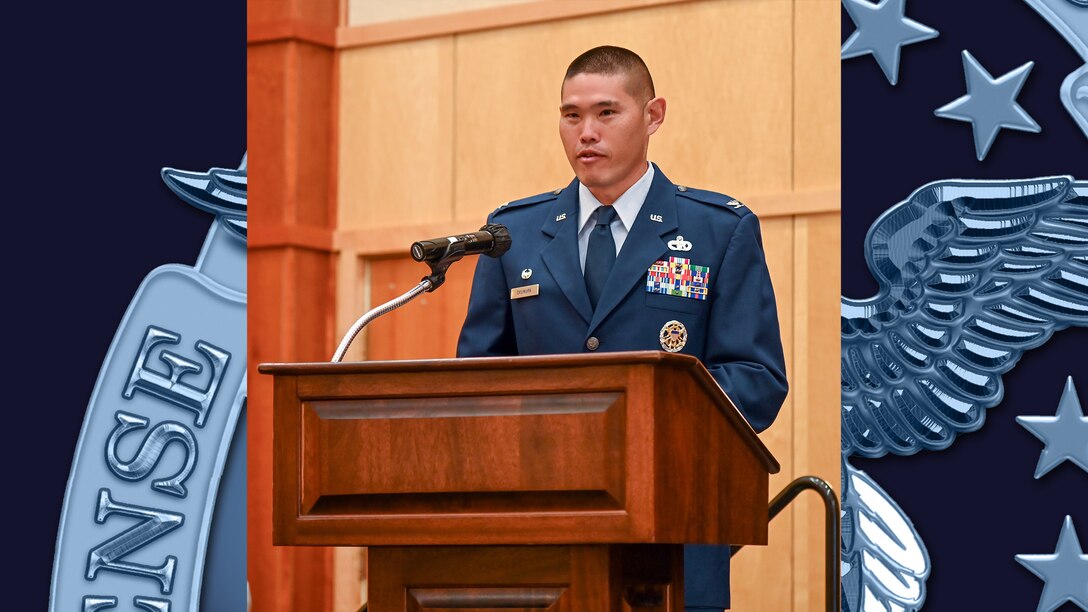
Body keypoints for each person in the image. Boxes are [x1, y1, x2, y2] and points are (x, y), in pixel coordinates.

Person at [456, 45, 788, 612]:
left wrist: (637, 417)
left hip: (672, 529)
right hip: (544, 527)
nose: (587, 132)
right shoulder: (513, 234)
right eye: (572, 115)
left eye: (607, 113)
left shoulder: (716, 230)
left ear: (653, 115)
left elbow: (757, 381)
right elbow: (476, 380)